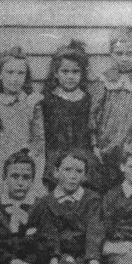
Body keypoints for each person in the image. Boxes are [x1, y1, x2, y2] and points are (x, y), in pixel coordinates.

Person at [30, 149, 105, 264]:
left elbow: (94, 235)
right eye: (67, 170)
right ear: (56, 172)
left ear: (85, 176)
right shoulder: (47, 203)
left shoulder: (91, 200)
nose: (73, 175)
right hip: (58, 257)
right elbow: (50, 238)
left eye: (79, 171)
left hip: (84, 255)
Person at [89, 27, 132, 190]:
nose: (124, 58)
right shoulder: (103, 80)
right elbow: (93, 113)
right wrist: (95, 144)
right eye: (119, 53)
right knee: (108, 185)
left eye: (129, 53)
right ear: (111, 54)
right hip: (107, 144)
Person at [0, 46, 45, 201]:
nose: (15, 78)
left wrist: (37, 177)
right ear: (0, 74)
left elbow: (39, 144)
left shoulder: (32, 103)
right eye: (10, 72)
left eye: (21, 73)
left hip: (25, 165)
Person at [40, 42, 97, 190]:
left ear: (82, 73)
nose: (70, 76)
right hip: (55, 155)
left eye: (75, 72)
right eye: (65, 72)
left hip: (83, 155)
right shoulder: (47, 100)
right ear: (55, 73)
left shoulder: (88, 99)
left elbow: (92, 129)